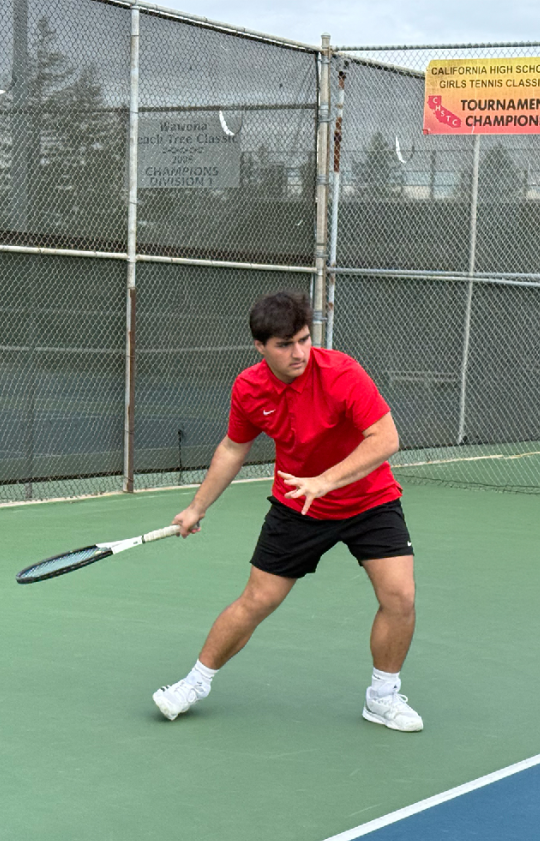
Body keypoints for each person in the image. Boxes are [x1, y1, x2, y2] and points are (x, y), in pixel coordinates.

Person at [152, 292, 422, 732]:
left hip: (368, 500)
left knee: (400, 597)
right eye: (284, 344)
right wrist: (196, 508)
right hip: (297, 506)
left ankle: (383, 697)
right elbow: (233, 447)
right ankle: (194, 684)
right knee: (258, 600)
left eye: (303, 339)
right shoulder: (249, 387)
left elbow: (386, 437)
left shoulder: (342, 373)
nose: (299, 353)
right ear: (260, 346)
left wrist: (327, 480)